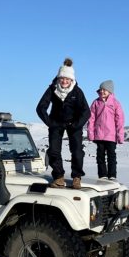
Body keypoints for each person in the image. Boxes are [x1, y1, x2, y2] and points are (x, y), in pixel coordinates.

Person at [36, 57, 90, 189]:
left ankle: (76, 177)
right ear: (58, 78)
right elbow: (41, 107)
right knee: (54, 151)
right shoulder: (52, 89)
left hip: (74, 124)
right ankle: (59, 177)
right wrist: (50, 123)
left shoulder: (77, 91)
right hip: (56, 123)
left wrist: (77, 124)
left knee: (77, 151)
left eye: (67, 79)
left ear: (72, 80)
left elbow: (86, 111)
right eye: (62, 78)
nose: (64, 81)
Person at [88, 80, 126, 180]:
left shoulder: (115, 103)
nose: (102, 92)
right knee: (100, 156)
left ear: (110, 91)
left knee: (111, 156)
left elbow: (120, 120)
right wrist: (91, 133)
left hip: (111, 135)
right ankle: (102, 175)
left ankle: (112, 175)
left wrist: (120, 136)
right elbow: (91, 119)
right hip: (99, 135)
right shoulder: (96, 103)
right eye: (101, 90)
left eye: (105, 90)